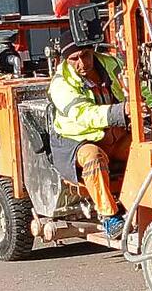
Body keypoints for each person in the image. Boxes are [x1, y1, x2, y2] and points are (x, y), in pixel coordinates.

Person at [48, 35, 134, 239]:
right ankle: (109, 216)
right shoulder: (61, 84)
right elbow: (82, 114)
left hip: (116, 135)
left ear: (92, 51)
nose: (82, 63)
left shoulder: (111, 64)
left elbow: (139, 90)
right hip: (79, 142)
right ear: (65, 60)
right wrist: (120, 112)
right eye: (74, 59)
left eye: (86, 55)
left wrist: (150, 107)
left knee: (148, 149)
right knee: (94, 158)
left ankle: (140, 202)